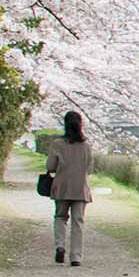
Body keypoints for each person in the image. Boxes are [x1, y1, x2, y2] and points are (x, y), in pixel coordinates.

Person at [44, 110, 95, 268]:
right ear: (81, 125)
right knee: (78, 222)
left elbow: (50, 167)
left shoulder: (57, 144)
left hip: (62, 187)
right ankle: (76, 257)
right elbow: (90, 169)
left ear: (65, 125)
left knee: (60, 217)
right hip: (80, 188)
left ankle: (60, 246)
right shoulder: (87, 146)